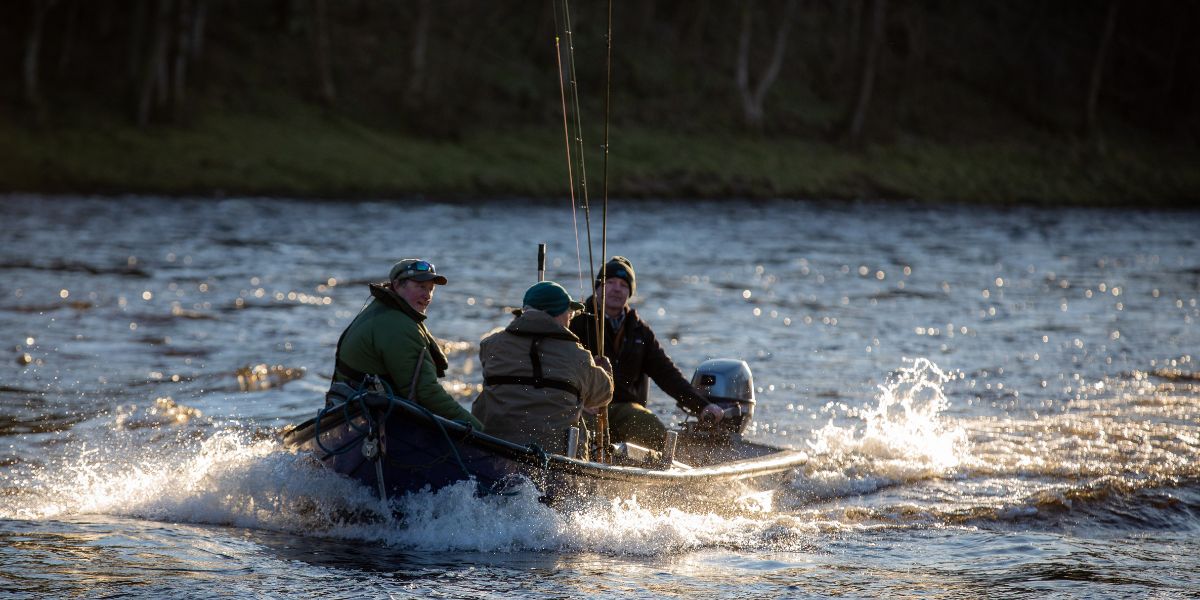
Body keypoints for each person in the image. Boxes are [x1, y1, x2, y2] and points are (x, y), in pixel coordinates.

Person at [569, 256, 724, 450]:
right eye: (610, 283)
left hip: (625, 407)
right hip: (585, 407)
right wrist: (579, 401)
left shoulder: (640, 330)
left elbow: (667, 374)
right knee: (583, 438)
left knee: (654, 431)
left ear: (630, 292)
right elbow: (561, 367)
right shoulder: (577, 322)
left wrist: (702, 405)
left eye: (623, 285)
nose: (617, 289)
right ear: (598, 287)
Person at [331, 258, 483, 430]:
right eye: (420, 287)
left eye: (430, 289)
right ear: (397, 285)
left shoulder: (381, 310)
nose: (427, 296)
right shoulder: (397, 325)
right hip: (367, 422)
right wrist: (480, 432)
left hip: (349, 414)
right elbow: (426, 393)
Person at [472, 281, 613, 454]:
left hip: (492, 449)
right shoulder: (578, 356)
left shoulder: (491, 345)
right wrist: (605, 372)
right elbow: (603, 395)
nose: (570, 319)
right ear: (557, 314)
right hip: (554, 457)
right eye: (569, 313)